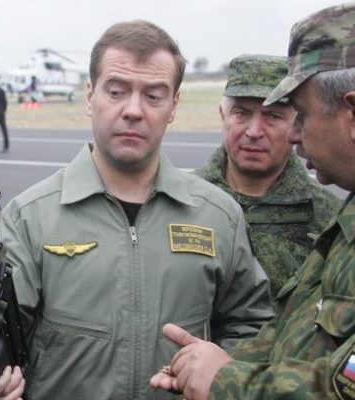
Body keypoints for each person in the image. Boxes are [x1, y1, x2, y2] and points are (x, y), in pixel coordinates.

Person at [0, 20, 274, 400]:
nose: (133, 110)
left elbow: (253, 326)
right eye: (116, 91)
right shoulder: (32, 216)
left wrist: (225, 369)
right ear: (90, 96)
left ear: (174, 106)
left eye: (153, 95)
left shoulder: (218, 216)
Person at [150, 3, 355, 399]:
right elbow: (297, 331)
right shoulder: (345, 222)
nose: (293, 136)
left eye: (300, 115)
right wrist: (209, 362)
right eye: (242, 112)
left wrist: (223, 379)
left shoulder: (327, 212)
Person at [194, 54, 340, 297]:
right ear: (223, 116)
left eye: (273, 116)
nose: (253, 132)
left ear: (297, 123)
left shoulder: (329, 218)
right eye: (241, 113)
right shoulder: (184, 200)